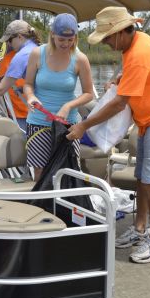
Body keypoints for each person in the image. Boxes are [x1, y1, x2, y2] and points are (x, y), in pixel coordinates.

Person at [66, 6, 150, 264]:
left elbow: (119, 104)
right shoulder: (138, 43)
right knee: (142, 177)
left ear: (120, 32)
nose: (106, 43)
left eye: (107, 38)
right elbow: (137, 74)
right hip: (149, 120)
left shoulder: (139, 52)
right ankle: (140, 228)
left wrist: (84, 126)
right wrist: (120, 78)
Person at [23, 13, 94, 181]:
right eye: (61, 39)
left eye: (70, 40)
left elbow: (89, 93)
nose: (66, 44)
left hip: (67, 125)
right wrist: (30, 96)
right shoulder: (37, 54)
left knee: (68, 172)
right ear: (52, 34)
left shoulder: (80, 59)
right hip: (39, 122)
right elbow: (28, 84)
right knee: (40, 173)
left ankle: (67, 199)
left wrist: (68, 106)